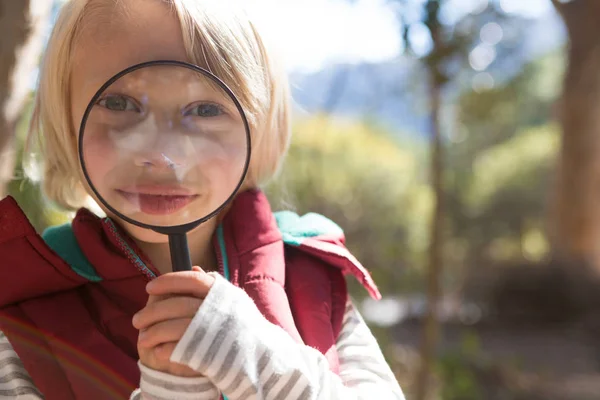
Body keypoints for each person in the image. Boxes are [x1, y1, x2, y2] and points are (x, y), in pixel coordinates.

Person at [0, 0, 405, 399]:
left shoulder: (311, 277)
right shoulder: (23, 325)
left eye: (206, 109)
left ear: (260, 124)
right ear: (65, 119)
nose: (162, 155)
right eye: (119, 103)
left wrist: (259, 360)